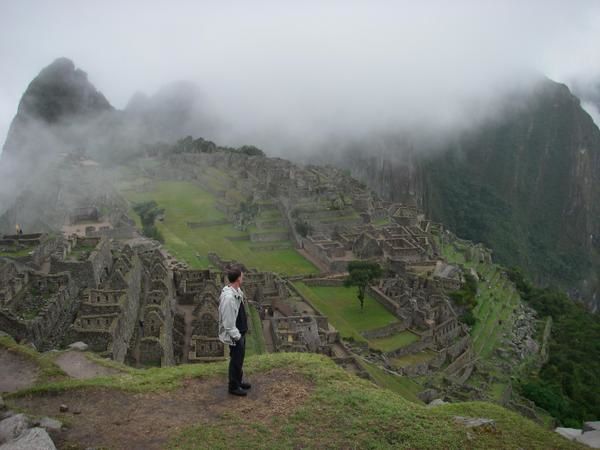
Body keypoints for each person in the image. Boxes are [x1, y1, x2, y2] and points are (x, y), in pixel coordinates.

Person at [218, 266, 251, 396]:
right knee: (236, 360)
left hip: (240, 332)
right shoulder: (229, 298)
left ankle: (238, 381)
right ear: (238, 278)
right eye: (242, 276)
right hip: (236, 334)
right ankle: (233, 386)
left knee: (240, 359)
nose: (243, 278)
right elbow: (228, 323)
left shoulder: (236, 292)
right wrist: (237, 336)